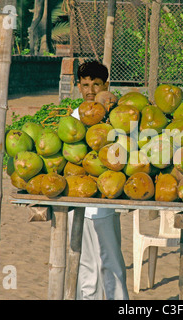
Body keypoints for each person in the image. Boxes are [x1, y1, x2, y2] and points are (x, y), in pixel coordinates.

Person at [69, 60, 129, 300]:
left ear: (106, 85)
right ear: (78, 87)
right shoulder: (73, 119)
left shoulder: (114, 118)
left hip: (104, 202)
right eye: (85, 85)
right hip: (77, 203)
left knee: (111, 262)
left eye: (96, 84)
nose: (91, 90)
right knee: (85, 266)